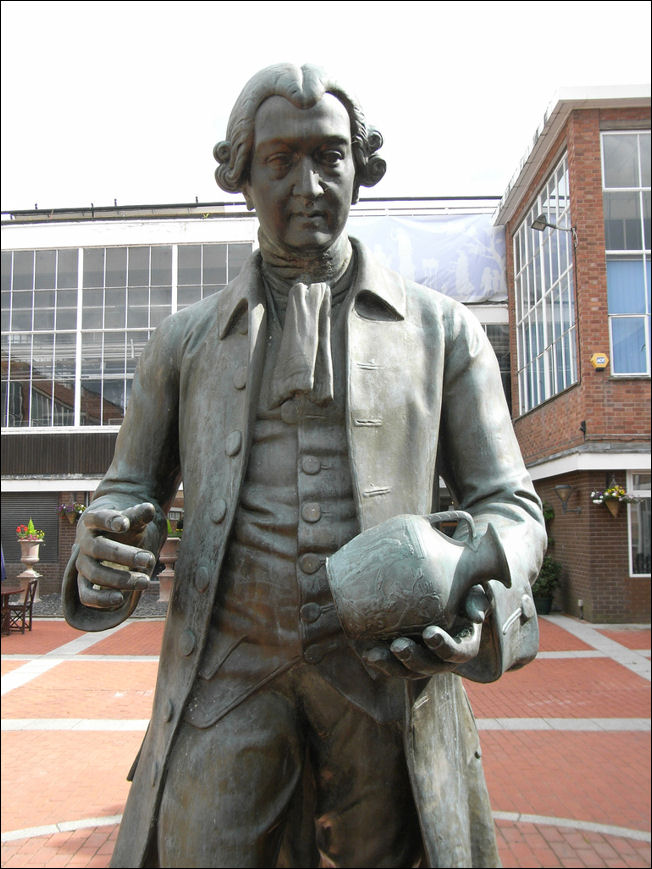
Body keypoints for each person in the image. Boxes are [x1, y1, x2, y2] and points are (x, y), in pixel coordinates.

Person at [62, 63, 546, 868]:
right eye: (280, 161)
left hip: (386, 683)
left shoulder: (445, 332)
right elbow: (127, 485)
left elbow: (511, 505)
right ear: (242, 176)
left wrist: (460, 571)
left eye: (330, 156)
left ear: (362, 166)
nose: (309, 184)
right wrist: (102, 542)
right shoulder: (181, 345)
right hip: (228, 674)